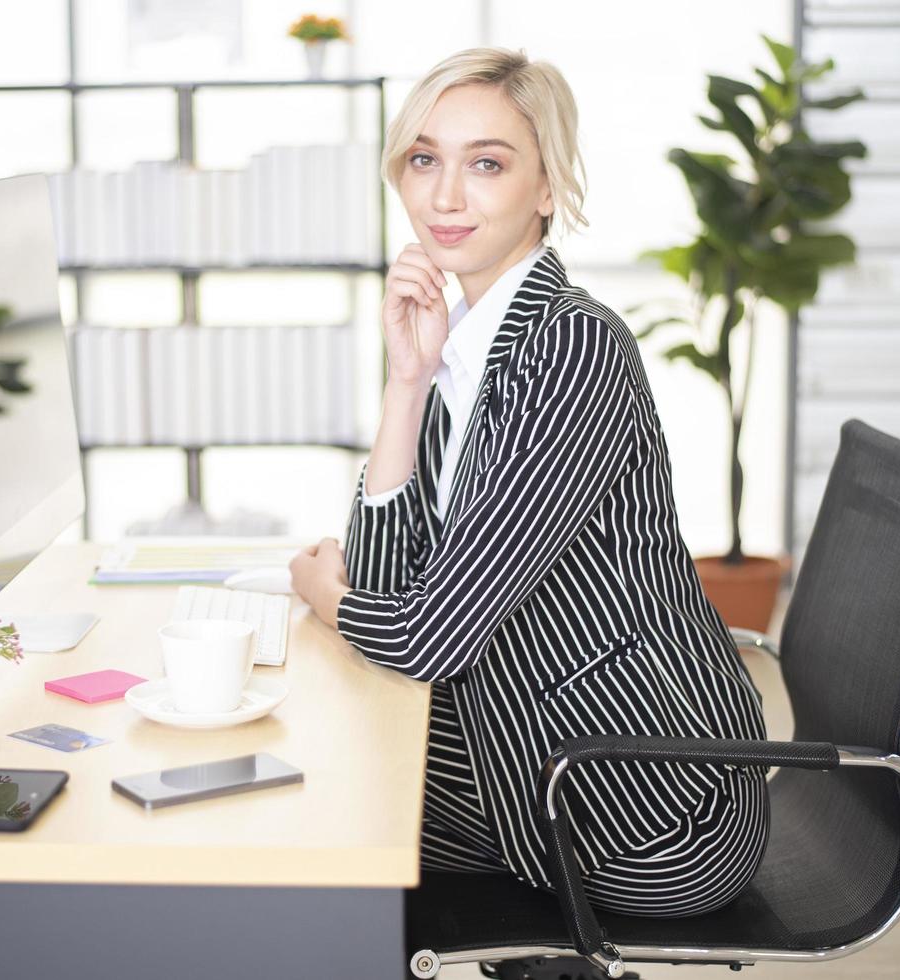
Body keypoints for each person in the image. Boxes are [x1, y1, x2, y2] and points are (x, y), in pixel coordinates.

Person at [289, 47, 769, 917]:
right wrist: (406, 384)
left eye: (487, 164)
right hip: (542, 747)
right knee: (321, 775)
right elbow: (392, 582)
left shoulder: (570, 349)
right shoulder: (467, 343)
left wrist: (326, 596)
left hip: (648, 804)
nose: (445, 195)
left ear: (547, 187)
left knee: (316, 805)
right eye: (426, 159)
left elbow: (423, 639)